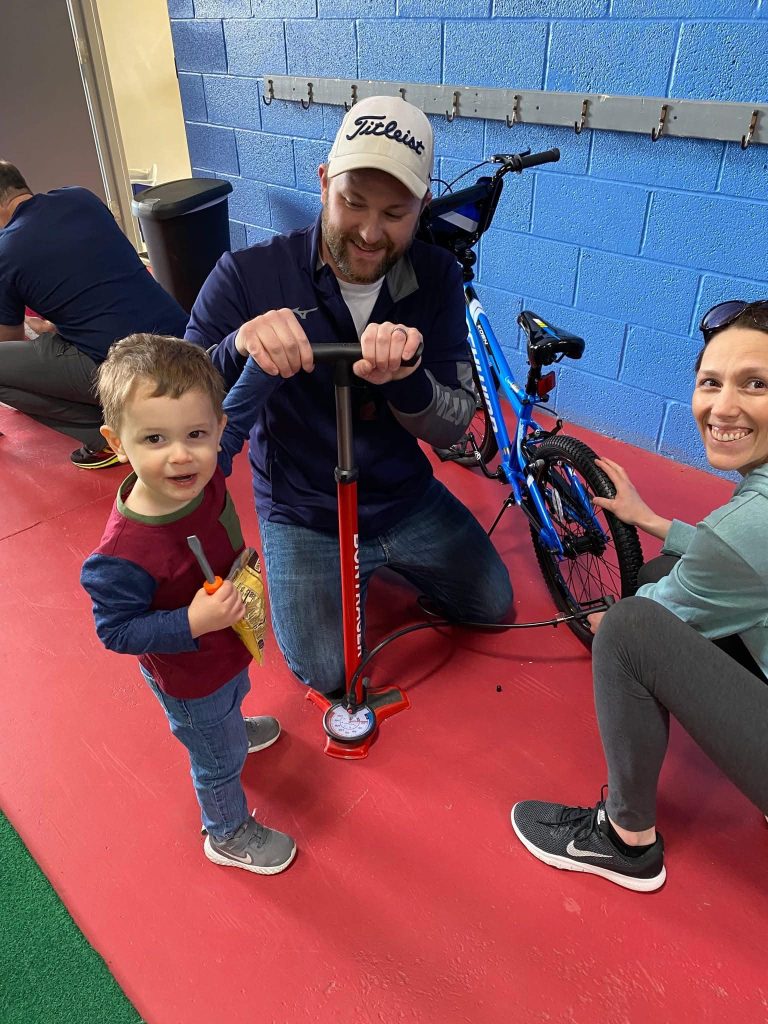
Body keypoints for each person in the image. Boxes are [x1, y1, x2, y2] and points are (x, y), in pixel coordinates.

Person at [186, 95, 512, 698]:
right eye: (353, 202)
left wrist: (406, 379)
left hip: (403, 497)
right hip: (305, 509)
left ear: (421, 208)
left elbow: (455, 425)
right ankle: (331, 569)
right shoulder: (246, 275)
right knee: (328, 673)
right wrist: (237, 345)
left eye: (395, 213)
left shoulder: (437, 276)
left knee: (493, 604)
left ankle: (379, 562)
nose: (368, 231)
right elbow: (180, 398)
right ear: (323, 181)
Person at [512, 299, 768, 892]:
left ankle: (626, 841)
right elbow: (733, 560)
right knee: (663, 571)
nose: (723, 406)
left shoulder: (752, 522)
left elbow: (651, 612)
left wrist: (608, 624)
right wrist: (649, 519)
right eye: (711, 382)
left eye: (756, 384)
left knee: (628, 628)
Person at [81, 334, 296, 874]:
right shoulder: (122, 554)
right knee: (217, 761)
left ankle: (230, 726)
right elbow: (116, 631)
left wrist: (267, 362)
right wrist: (193, 621)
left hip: (226, 645)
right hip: (190, 675)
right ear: (117, 443)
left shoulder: (209, 465)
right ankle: (227, 832)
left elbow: (239, 409)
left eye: (196, 434)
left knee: (235, 690)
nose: (181, 455)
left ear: (215, 431)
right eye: (154, 438)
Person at [0, 162, 188, 468]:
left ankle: (111, 434)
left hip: (132, 370)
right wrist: (53, 325)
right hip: (186, 347)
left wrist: (31, 328)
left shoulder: (6, 249)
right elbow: (97, 282)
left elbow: (8, 342)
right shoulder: (81, 197)